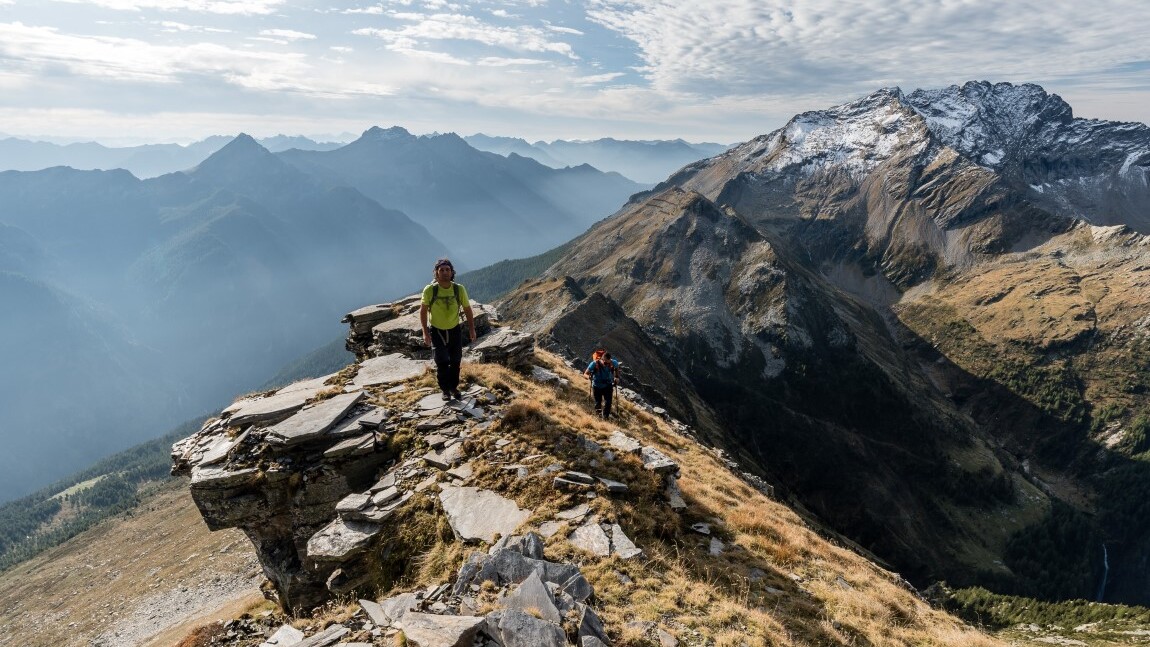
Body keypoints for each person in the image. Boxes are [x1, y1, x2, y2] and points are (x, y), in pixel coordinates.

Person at [420, 258, 476, 401]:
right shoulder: (430, 290)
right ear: (436, 273)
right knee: (442, 361)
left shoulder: (458, 289)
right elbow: (423, 311)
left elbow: (468, 309)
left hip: (454, 330)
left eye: (447, 270)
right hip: (437, 331)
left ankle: (453, 387)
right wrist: (425, 333)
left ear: (452, 272)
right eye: (442, 270)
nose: (445, 272)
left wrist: (471, 329)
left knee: (456, 361)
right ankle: (445, 390)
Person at [583, 349, 621, 420]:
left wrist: (616, 377)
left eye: (608, 362)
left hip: (608, 385)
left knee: (608, 402)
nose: (607, 364)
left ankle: (605, 418)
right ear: (602, 359)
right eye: (605, 363)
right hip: (597, 386)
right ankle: (598, 417)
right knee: (598, 403)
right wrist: (589, 377)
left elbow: (616, 369)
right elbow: (585, 374)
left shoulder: (613, 362)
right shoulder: (594, 363)